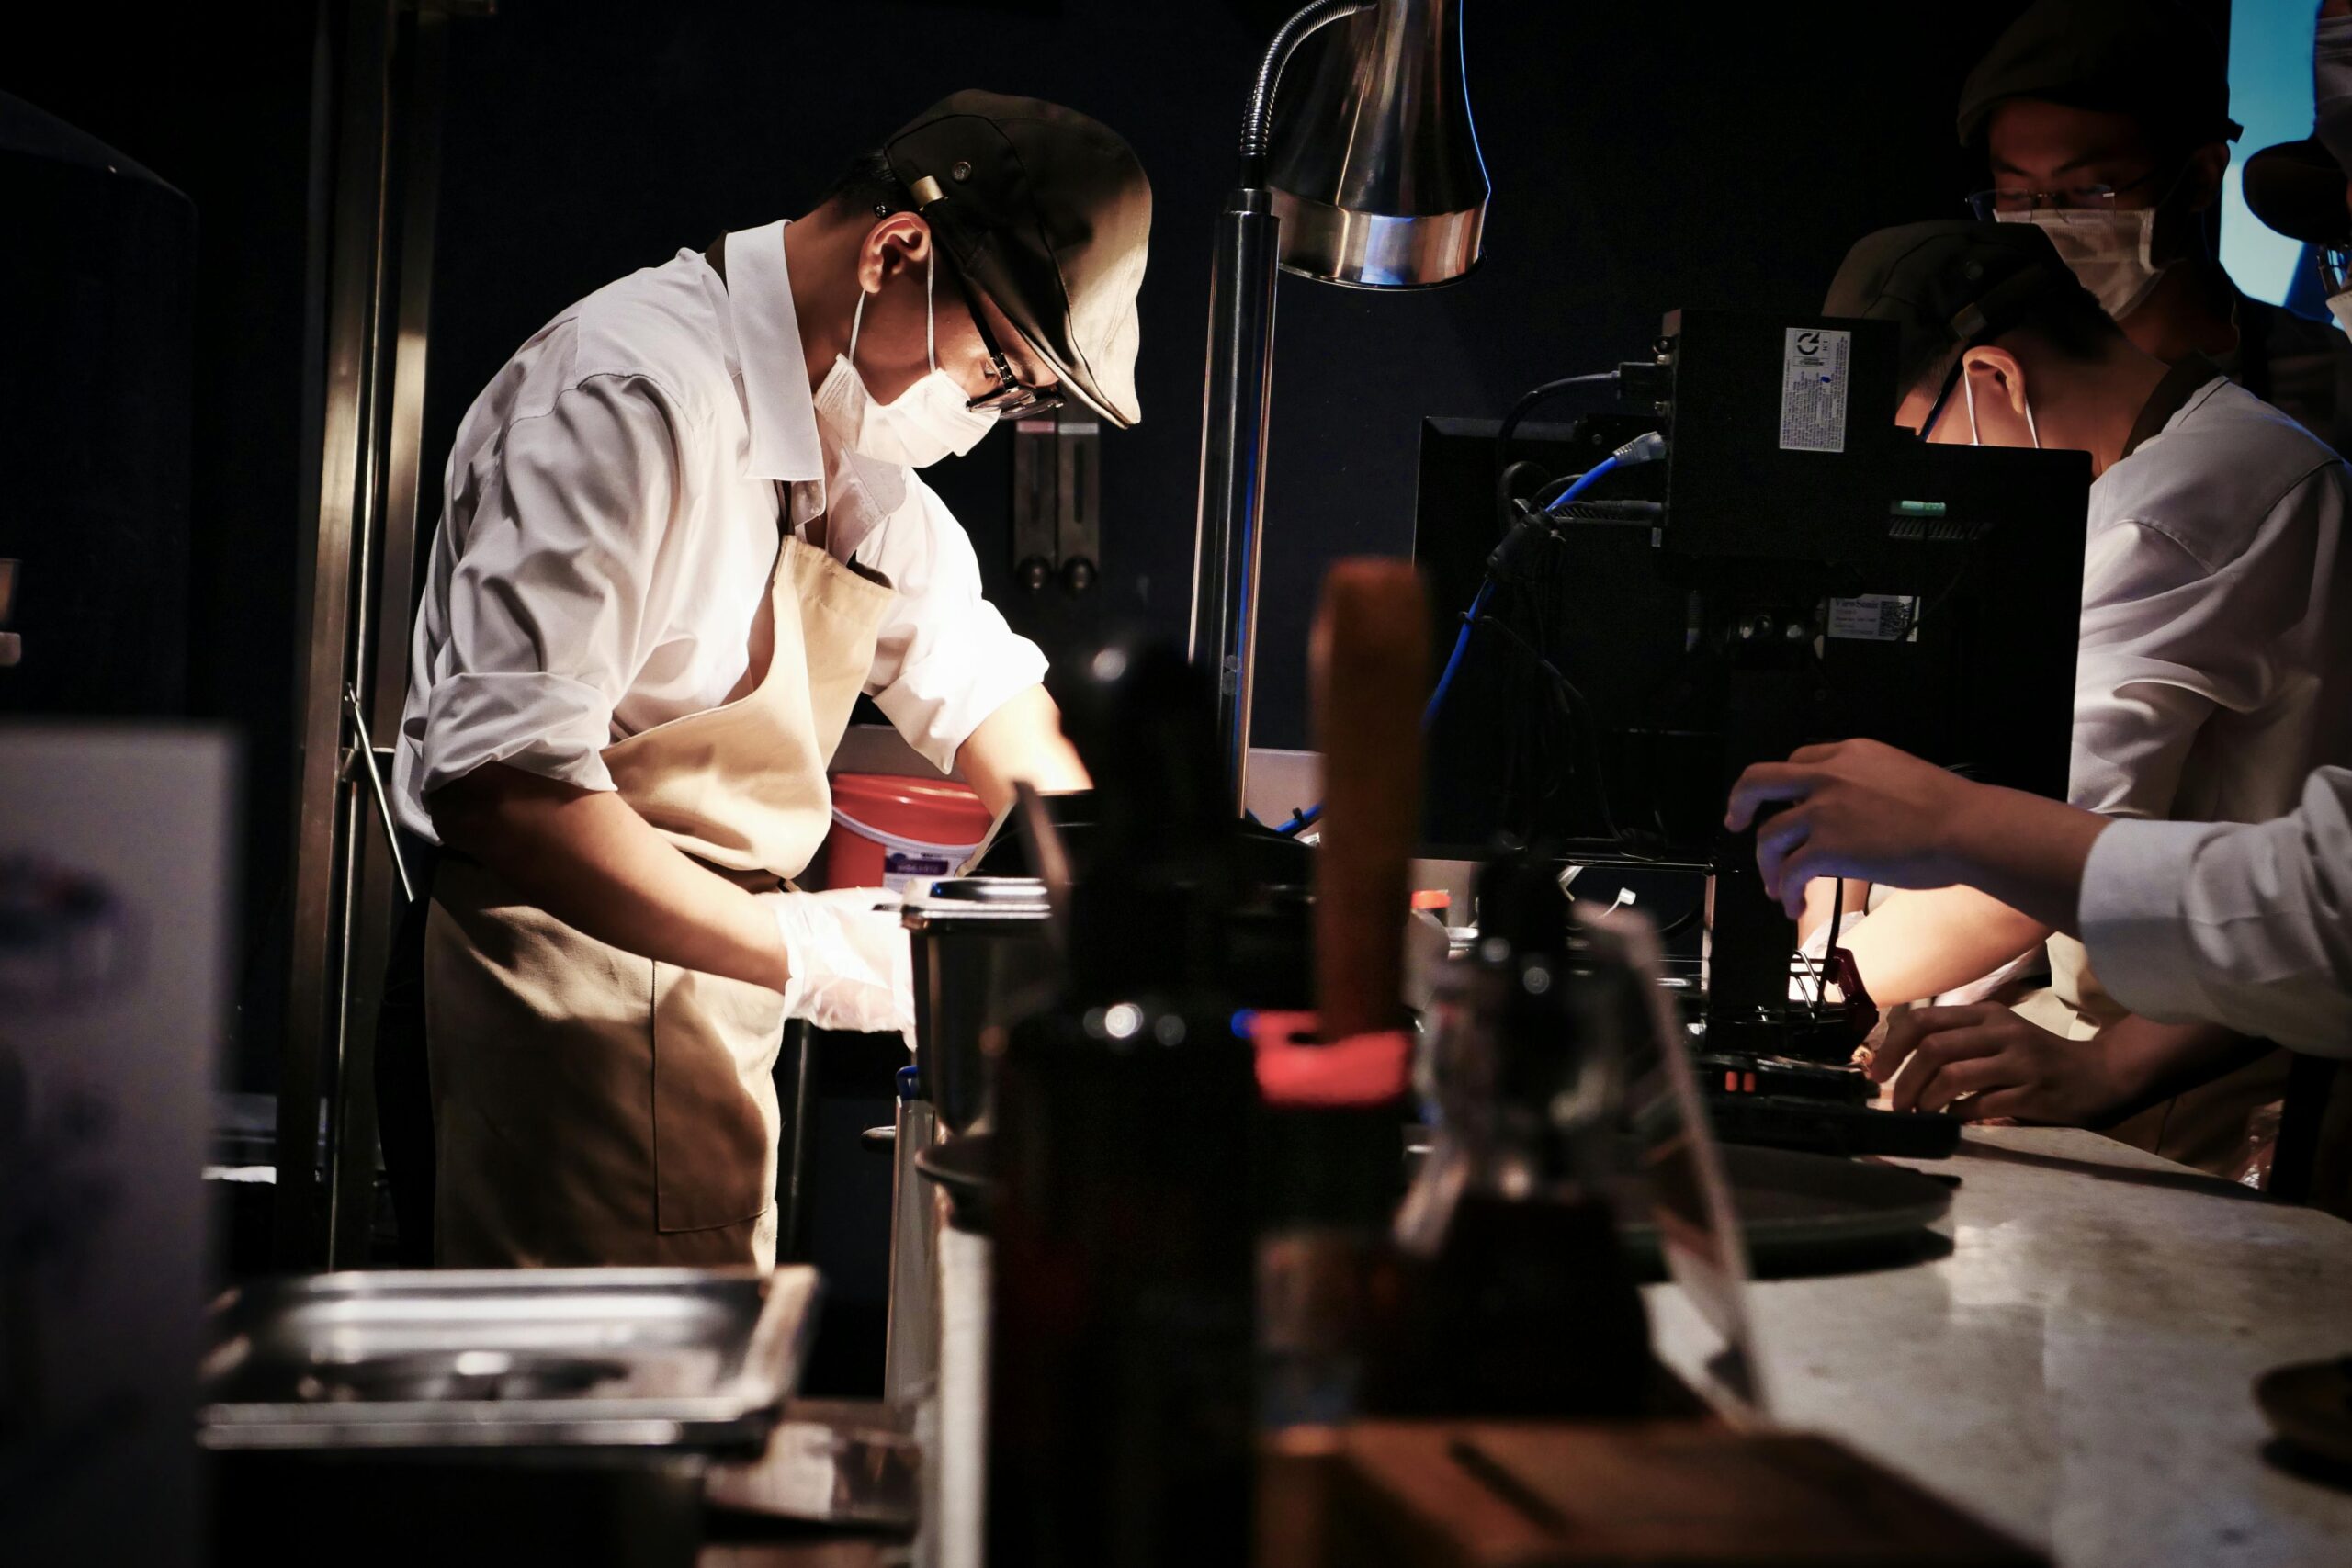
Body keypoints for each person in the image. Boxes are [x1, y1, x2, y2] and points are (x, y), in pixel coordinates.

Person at [386, 91, 1148, 1268]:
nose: (991, 415)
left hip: (703, 1012)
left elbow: (991, 699)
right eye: (999, 372)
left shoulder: (854, 471)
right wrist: (814, 951)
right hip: (554, 1007)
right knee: (585, 1435)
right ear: (899, 253)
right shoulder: (629, 399)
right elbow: (504, 783)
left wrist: (1105, 880)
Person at [1811, 220, 2352, 1180]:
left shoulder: (2183, 507)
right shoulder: (2164, 469)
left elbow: (2024, 848)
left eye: (1915, 444)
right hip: (2162, 1010)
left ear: (1993, 383)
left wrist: (1800, 997)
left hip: (2193, 1073)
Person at [1724, 739, 2352, 1212]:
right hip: (2114, 1039)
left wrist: (2110, 1066)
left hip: (2172, 1079)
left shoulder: (2168, 566)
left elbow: (2317, 906)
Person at [1958, 0, 2352, 454]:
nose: (2047, 223)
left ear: (2202, 177)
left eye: (2090, 190)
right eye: (2016, 196)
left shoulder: (2330, 392)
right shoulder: (1981, 397)